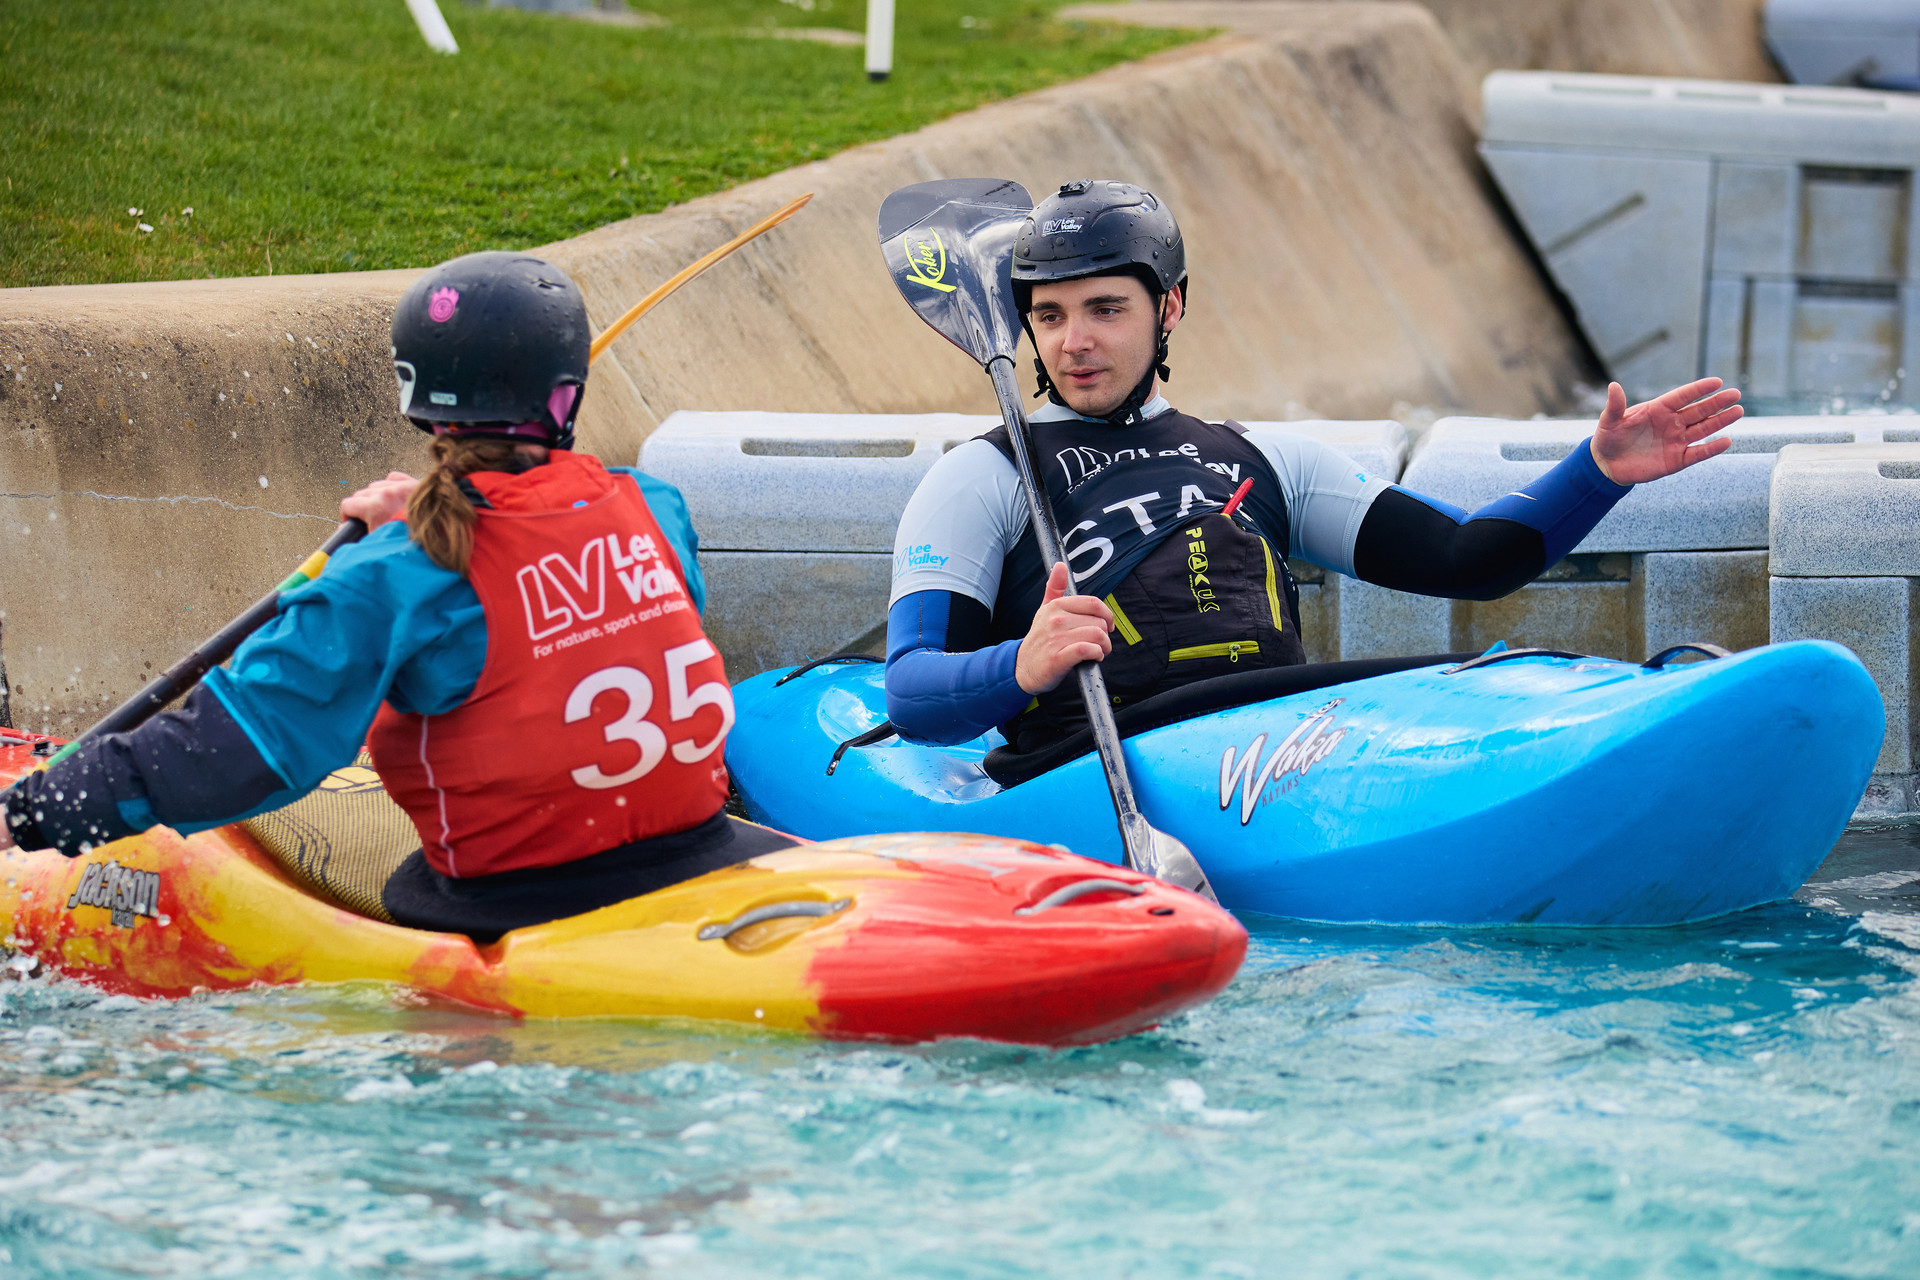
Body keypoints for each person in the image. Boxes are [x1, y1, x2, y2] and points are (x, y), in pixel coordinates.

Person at [0, 251, 794, 939]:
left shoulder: (393, 574)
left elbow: (241, 754)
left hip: (520, 901)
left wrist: (29, 815)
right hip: (704, 851)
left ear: (417, 394)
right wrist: (422, 527)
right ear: (565, 397)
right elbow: (565, 583)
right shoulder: (655, 507)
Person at [885, 179, 1744, 754]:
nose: (1074, 341)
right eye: (1050, 316)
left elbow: (1471, 560)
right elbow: (913, 694)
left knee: (1496, 667)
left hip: (1287, 739)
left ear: (1170, 306)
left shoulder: (1267, 459)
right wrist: (1021, 665)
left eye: (1106, 309)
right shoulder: (984, 478)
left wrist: (1596, 470)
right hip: (1094, 758)